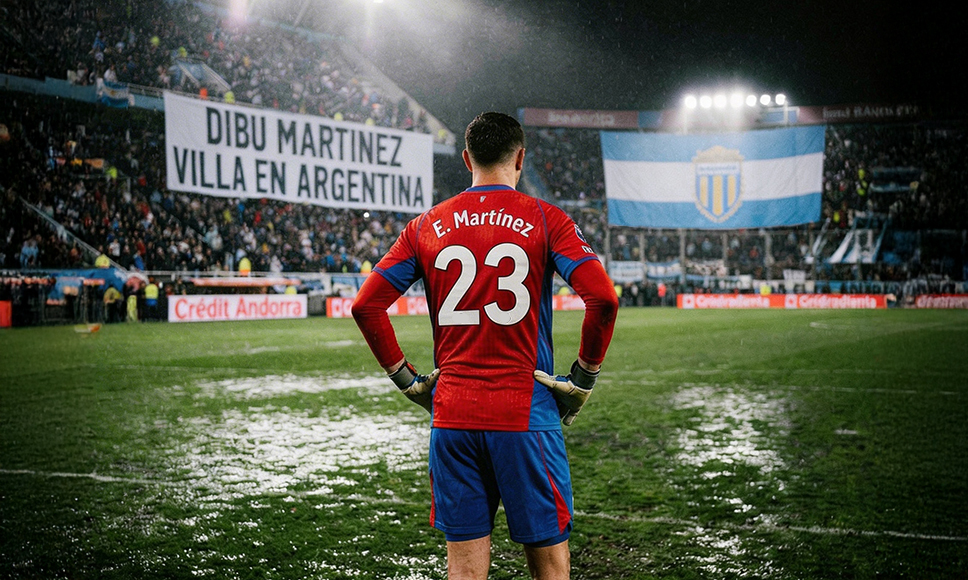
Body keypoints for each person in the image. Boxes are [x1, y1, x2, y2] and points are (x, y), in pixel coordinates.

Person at [352, 112, 618, 579]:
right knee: (550, 569)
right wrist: (582, 379)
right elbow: (603, 300)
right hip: (525, 415)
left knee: (464, 570)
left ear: (466, 159)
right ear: (520, 158)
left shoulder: (425, 225)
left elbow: (365, 306)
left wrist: (408, 380)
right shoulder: (547, 218)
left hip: (452, 416)